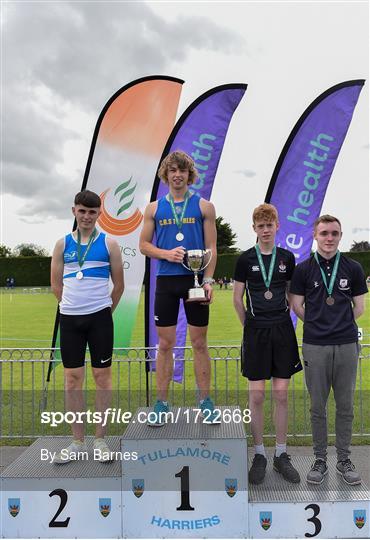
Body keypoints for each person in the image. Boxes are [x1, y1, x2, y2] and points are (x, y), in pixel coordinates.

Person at [139, 150, 218, 425]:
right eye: (172, 170)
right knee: (164, 344)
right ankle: (161, 404)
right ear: (166, 175)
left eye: (182, 170)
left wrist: (208, 281)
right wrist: (165, 254)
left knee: (199, 343)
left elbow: (211, 248)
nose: (177, 175)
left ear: (189, 174)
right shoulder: (153, 208)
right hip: (167, 282)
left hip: (194, 281)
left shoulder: (204, 206)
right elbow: (143, 245)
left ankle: (205, 403)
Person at [290, 215, 367, 485]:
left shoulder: (353, 268)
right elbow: (297, 305)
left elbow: (359, 308)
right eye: (324, 233)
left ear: (341, 236)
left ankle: (344, 459)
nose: (329, 238)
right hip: (315, 345)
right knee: (317, 407)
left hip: (346, 344)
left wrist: (339, 325)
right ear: (315, 235)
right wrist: (317, 323)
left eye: (334, 233)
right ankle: (320, 459)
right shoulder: (303, 270)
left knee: (345, 406)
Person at [51, 190, 124, 462]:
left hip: (100, 319)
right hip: (70, 319)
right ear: (74, 211)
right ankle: (77, 442)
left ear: (99, 214)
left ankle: (100, 440)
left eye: (92, 212)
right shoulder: (62, 245)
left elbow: (119, 286)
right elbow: (56, 284)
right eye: (82, 211)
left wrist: (103, 310)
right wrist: (73, 306)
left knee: (102, 378)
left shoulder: (110, 244)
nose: (86, 216)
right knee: (72, 380)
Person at [233, 203, 301, 484]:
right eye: (260, 226)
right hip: (256, 331)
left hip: (282, 330)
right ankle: (259, 453)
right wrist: (248, 326)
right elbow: (237, 298)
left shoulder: (287, 257)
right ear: (254, 229)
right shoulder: (245, 259)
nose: (265, 230)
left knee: (282, 395)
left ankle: (281, 454)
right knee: (257, 396)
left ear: (277, 226)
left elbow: (291, 296)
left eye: (269, 225)